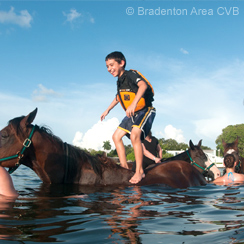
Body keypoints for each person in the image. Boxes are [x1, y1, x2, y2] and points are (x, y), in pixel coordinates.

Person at [101, 51, 156, 184]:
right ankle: (124, 167)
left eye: (112, 65)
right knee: (116, 137)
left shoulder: (130, 74)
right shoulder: (119, 81)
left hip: (145, 110)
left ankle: (139, 171)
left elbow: (143, 85)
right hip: (132, 113)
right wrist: (107, 109)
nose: (109, 69)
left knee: (134, 135)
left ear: (121, 63)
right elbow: (118, 97)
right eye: (107, 66)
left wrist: (134, 103)